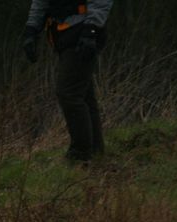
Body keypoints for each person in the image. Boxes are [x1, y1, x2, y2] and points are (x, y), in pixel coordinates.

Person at [23, 1, 114, 163]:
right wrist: (31, 30)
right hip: (62, 33)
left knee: (69, 93)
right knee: (84, 93)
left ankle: (80, 154)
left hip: (83, 32)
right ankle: (95, 151)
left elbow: (101, 2)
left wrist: (91, 30)